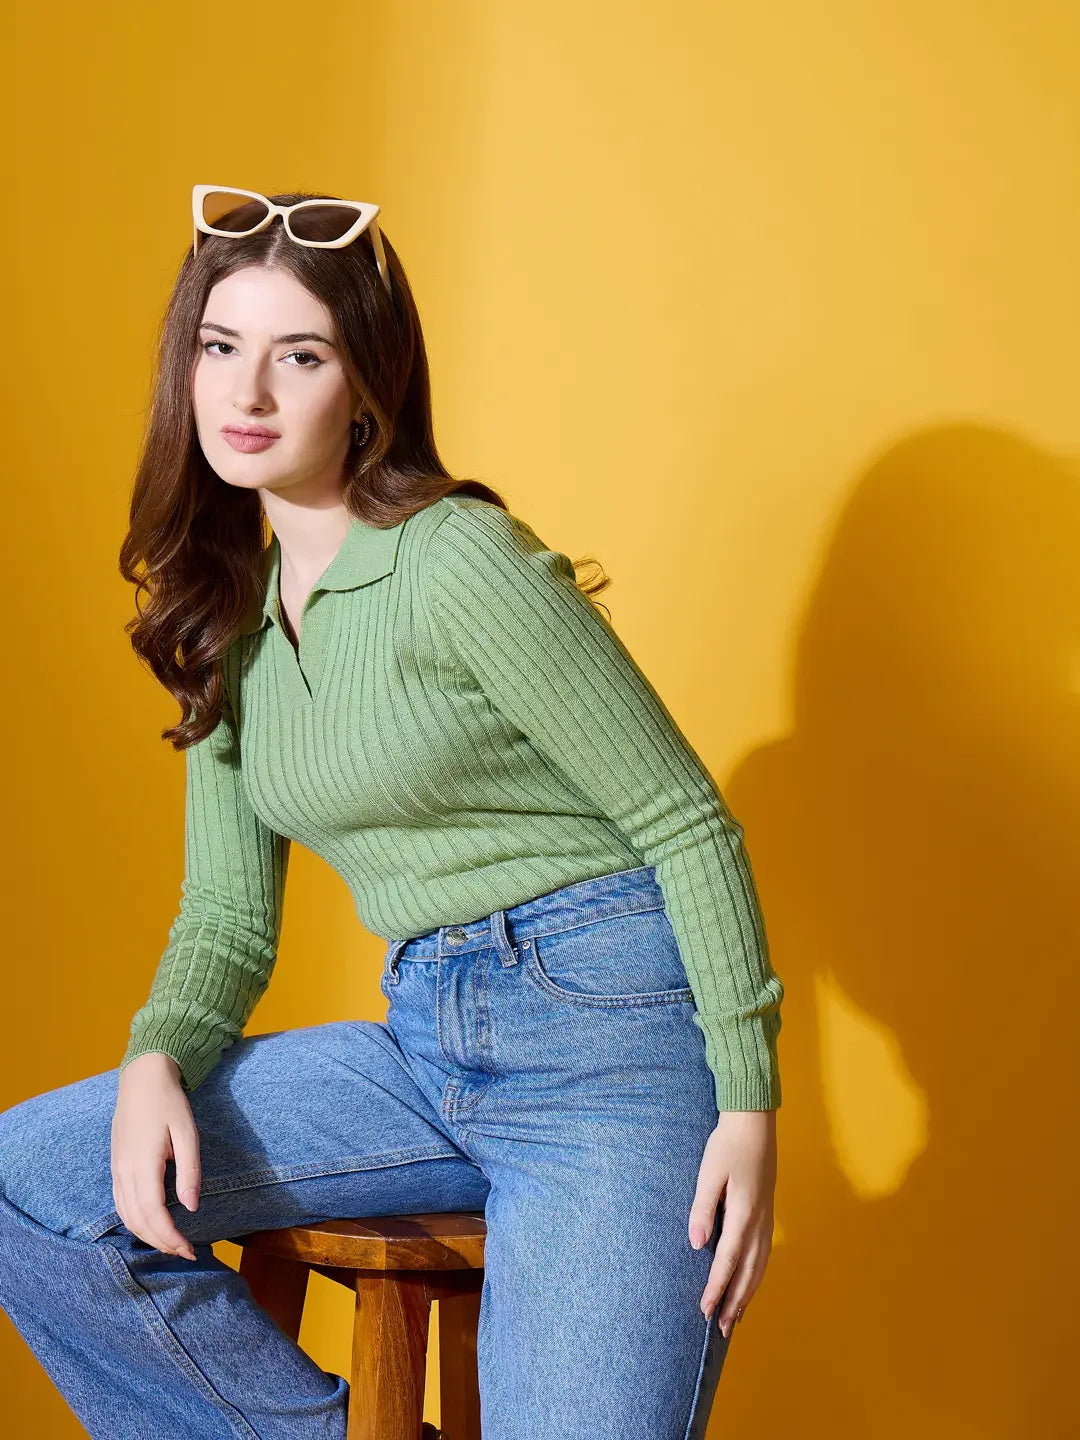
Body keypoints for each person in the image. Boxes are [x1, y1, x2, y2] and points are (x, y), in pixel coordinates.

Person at [0, 186, 785, 1439]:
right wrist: (158, 1054)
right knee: (30, 1182)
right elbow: (225, 919)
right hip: (424, 1037)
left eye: (296, 355)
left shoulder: (457, 560)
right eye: (220, 348)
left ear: (365, 387)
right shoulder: (227, 613)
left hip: (611, 1052)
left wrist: (748, 1100)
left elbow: (685, 819)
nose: (246, 393)